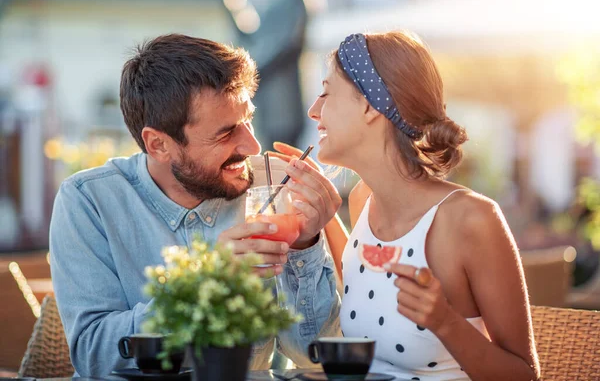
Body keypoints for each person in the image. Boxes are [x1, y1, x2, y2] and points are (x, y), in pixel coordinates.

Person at [49, 34, 341, 377]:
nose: (252, 145)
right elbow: (95, 354)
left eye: (248, 119)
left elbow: (317, 355)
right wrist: (206, 280)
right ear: (158, 144)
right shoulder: (89, 201)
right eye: (225, 133)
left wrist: (305, 246)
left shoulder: (277, 187)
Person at [306, 32, 540, 380]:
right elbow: (374, 291)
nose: (314, 110)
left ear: (370, 105)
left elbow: (525, 375)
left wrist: (445, 322)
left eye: (326, 92)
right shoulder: (363, 201)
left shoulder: (471, 219)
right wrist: (323, 217)